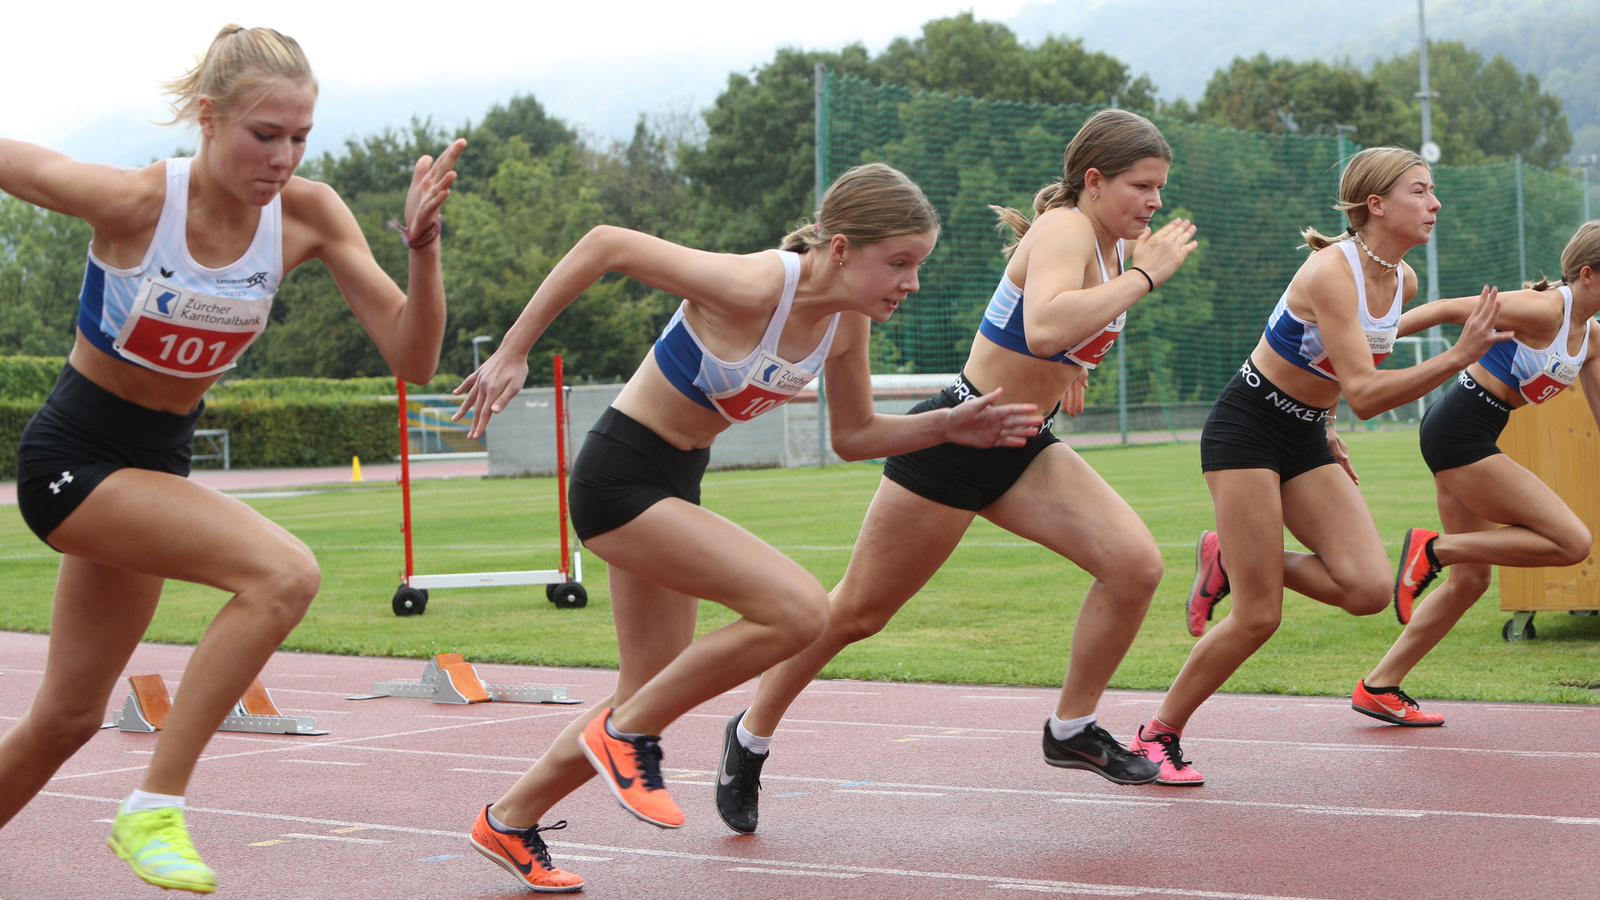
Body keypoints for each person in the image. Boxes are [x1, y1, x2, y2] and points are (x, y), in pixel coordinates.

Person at [451, 162, 1042, 892]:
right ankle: (626, 737)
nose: (910, 283)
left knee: (644, 686)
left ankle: (508, 819)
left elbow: (853, 436)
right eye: (899, 263)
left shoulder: (844, 323)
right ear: (841, 249)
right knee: (798, 610)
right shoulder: (758, 284)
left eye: (918, 265)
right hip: (619, 479)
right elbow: (605, 242)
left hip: (673, 483)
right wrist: (513, 351)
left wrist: (950, 425)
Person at [0, 25, 463, 893]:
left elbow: (414, 358)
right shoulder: (138, 202)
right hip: (73, 463)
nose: (282, 157)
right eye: (264, 134)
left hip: (152, 473)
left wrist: (423, 249)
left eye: (299, 137)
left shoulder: (311, 215)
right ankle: (154, 809)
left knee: (63, 719)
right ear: (208, 119)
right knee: (283, 574)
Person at [712, 108, 1198, 836]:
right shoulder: (1068, 230)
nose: (1155, 202)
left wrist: (1071, 369)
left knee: (1134, 565)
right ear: (1094, 181)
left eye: (1160, 187)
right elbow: (1044, 324)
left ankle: (1072, 729)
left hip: (1022, 441)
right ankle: (747, 739)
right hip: (958, 436)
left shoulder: (1110, 244)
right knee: (855, 614)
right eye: (1142, 186)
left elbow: (1053, 336)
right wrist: (1148, 280)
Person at [1155, 146, 1509, 785]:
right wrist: (1461, 355)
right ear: (1376, 204)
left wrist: (1326, 419)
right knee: (1260, 616)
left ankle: (1230, 558)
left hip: (1305, 433)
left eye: (1433, 192)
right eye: (1420, 191)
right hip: (1248, 430)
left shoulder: (1402, 280)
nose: (1434, 204)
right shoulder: (1330, 271)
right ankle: (1160, 733)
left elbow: (1343, 362)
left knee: (1369, 589)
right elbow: (1369, 392)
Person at [1352, 221, 1600, 726]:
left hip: (1475, 428)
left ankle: (1379, 685)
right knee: (1571, 542)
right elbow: (1447, 310)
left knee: (1470, 583)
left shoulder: (1592, 336)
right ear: (1589, 274)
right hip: (1461, 427)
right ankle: (1432, 549)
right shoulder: (1545, 308)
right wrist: (1366, 341)